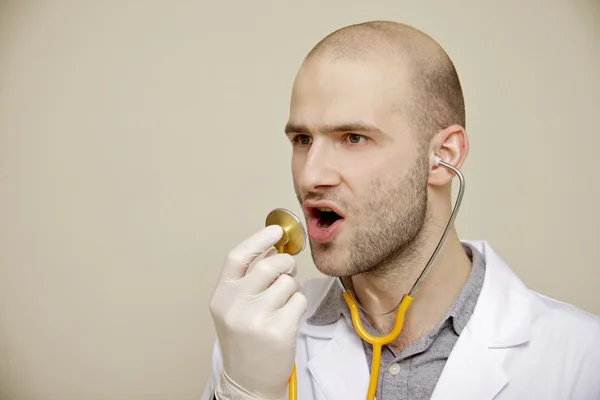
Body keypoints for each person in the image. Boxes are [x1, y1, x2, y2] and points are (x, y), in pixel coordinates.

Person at [201, 21, 600, 400]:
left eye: (353, 137)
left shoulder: (581, 357)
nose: (311, 175)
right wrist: (243, 392)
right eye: (303, 139)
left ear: (443, 156)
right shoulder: (256, 340)